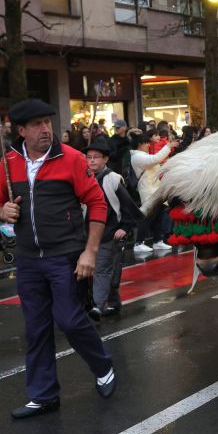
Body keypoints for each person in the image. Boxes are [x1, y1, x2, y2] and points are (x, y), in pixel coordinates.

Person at [0, 99, 117, 419]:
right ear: (21, 131)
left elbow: (98, 204)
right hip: (28, 259)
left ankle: (102, 364)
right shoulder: (8, 163)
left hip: (65, 255)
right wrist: (2, 211)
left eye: (47, 122)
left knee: (71, 320)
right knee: (36, 328)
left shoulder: (72, 159)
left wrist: (90, 251)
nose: (45, 128)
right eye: (36, 124)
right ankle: (44, 394)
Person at [85, 137, 141, 321]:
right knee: (99, 269)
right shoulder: (83, 178)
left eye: (96, 157)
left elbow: (127, 206)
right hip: (87, 234)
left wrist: (125, 227)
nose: (92, 160)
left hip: (109, 232)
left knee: (102, 269)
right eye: (89, 157)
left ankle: (97, 306)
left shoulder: (114, 179)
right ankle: (113, 302)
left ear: (106, 160)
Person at [130, 127, 177, 255]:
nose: (148, 145)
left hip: (155, 189)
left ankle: (158, 240)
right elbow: (155, 160)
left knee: (159, 216)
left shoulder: (143, 155)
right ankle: (139, 243)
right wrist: (168, 147)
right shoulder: (137, 157)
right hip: (149, 190)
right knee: (148, 217)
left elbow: (155, 164)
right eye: (146, 143)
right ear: (140, 144)